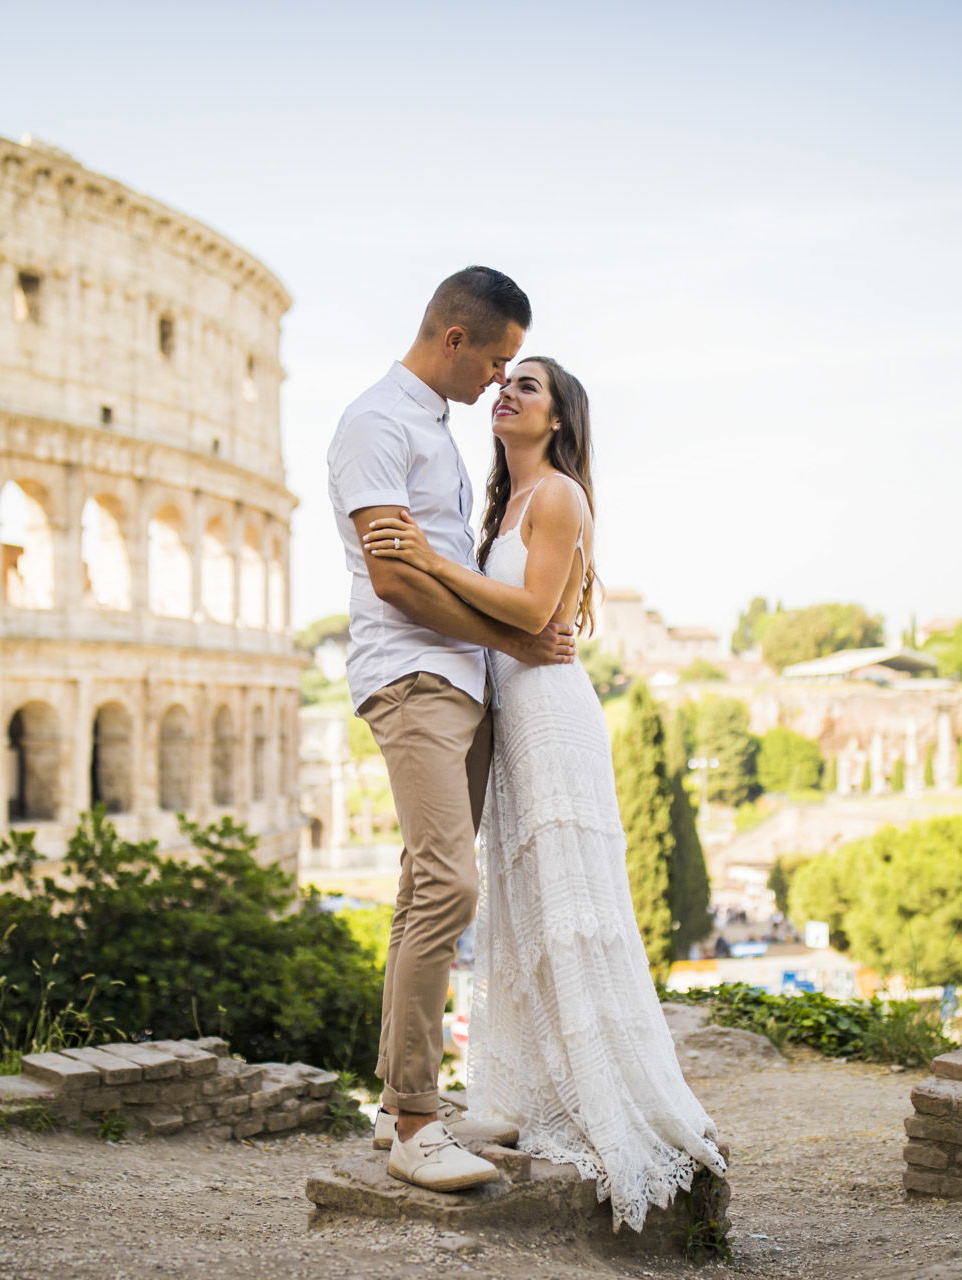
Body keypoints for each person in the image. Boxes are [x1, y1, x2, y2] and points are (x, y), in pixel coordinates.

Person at [364, 356, 726, 1231]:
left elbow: (530, 615)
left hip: (550, 711)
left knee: (568, 899)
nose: (507, 393)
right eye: (505, 383)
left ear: (559, 419)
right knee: (521, 904)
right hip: (511, 707)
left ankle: (605, 1089)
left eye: (528, 388)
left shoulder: (559, 495)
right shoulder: (504, 503)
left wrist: (426, 560)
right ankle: (521, 1085)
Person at [325, 266, 577, 1192]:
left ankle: (397, 1111)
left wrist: (499, 644)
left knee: (418, 894)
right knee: (447, 888)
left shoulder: (432, 429)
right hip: (412, 673)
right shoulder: (376, 424)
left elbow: (436, 563)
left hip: (459, 679)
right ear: (458, 339)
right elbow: (395, 579)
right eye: (498, 361)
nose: (496, 385)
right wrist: (513, 634)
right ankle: (422, 1124)